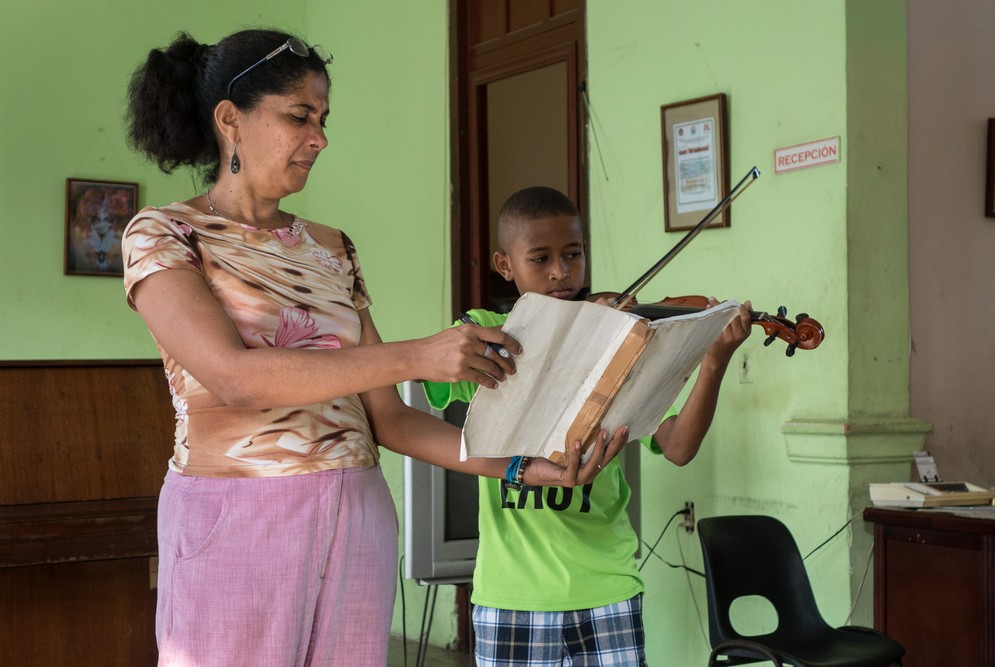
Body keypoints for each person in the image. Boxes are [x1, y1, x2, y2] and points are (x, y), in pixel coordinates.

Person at [122, 30, 626, 667]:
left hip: (356, 514)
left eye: (324, 119)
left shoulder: (333, 248)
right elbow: (234, 379)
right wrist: (421, 355)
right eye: (300, 117)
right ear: (231, 121)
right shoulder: (165, 234)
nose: (319, 138)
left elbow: (388, 419)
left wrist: (524, 466)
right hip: (236, 516)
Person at [423, 186, 752, 667]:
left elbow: (679, 447)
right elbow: (428, 375)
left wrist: (714, 361)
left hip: (608, 587)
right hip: (511, 596)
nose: (561, 271)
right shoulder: (487, 330)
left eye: (572, 254)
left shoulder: (621, 339)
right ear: (504, 264)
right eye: (541, 258)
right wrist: (556, 335)